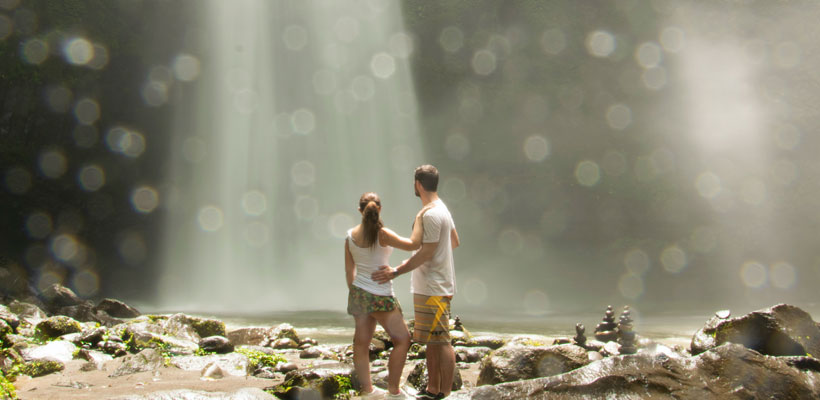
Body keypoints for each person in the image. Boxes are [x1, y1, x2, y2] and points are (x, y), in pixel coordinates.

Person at [373, 165, 460, 400]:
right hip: (432, 284)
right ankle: (433, 389)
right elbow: (453, 241)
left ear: (419, 184)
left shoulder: (430, 214)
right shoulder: (442, 209)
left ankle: (447, 393)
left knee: (441, 340)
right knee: (432, 340)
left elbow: (423, 251)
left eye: (414, 183)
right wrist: (434, 254)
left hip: (433, 286)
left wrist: (397, 270)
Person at [345, 192, 431, 399]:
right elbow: (413, 244)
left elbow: (350, 272)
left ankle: (367, 391)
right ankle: (394, 392)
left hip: (359, 294)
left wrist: (357, 293)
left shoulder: (350, 236)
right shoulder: (383, 234)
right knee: (402, 339)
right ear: (379, 209)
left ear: (360, 210)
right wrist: (419, 220)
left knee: (361, 343)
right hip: (380, 295)